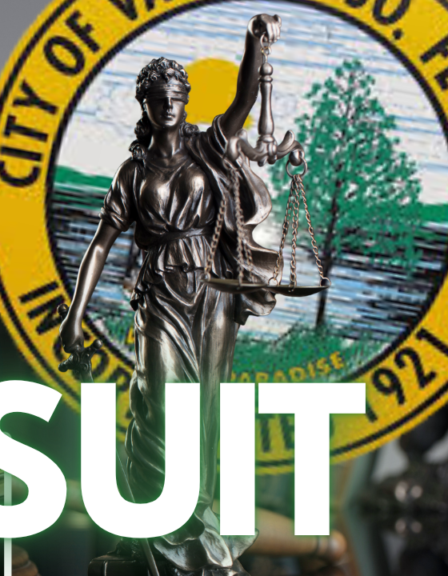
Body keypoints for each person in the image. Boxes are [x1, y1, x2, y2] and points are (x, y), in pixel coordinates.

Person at [58, 15, 284, 575]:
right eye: (158, 97)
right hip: (158, 295)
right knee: (158, 405)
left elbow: (244, 99)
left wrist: (253, 47)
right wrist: (74, 315)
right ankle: (162, 527)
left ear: (185, 101)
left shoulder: (208, 145)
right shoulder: (132, 171)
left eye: (176, 96)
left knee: (206, 408)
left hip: (211, 294)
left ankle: (196, 531)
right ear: (144, 103)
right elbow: (101, 245)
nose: (168, 105)